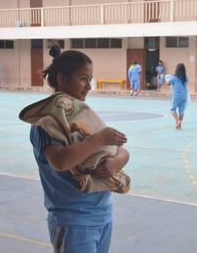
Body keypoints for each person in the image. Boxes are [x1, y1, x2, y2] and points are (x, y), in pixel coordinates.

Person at [20, 44, 130, 253]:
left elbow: (118, 150)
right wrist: (97, 140)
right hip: (73, 220)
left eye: (90, 79)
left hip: (102, 213)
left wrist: (117, 161)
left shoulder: (83, 115)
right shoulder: (47, 122)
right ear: (62, 79)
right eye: (83, 79)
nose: (89, 86)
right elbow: (60, 161)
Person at [165, 63, 190, 130]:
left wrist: (167, 78)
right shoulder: (186, 77)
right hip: (184, 96)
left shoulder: (174, 77)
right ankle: (179, 125)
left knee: (173, 109)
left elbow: (167, 84)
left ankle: (177, 121)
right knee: (181, 111)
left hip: (176, 96)